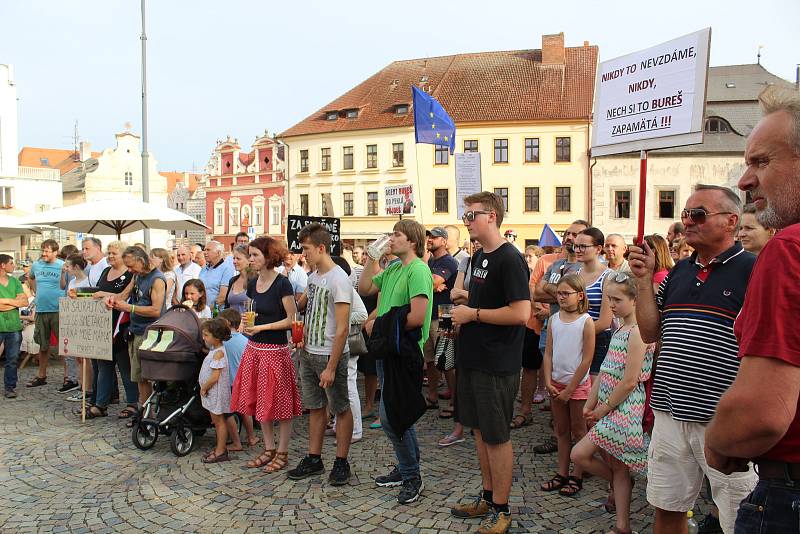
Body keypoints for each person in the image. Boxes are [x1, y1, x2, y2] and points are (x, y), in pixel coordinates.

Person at [628, 184, 757, 534]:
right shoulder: (680, 270)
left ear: (731, 221)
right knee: (667, 508)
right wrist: (642, 282)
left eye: (698, 214)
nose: (688, 221)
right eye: (685, 214)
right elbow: (651, 332)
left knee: (737, 518)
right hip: (670, 413)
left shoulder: (753, 270)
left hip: (721, 419)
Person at [705, 86, 800, 533]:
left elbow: (760, 415)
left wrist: (719, 442)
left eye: (762, 162)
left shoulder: (787, 249)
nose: (744, 180)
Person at [448, 192, 530, 534]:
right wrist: (464, 312)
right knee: (479, 431)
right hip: (473, 356)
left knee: (497, 436)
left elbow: (521, 313)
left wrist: (474, 313)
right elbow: (485, 302)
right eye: (465, 216)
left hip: (496, 363)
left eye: (471, 216)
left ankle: (502, 507)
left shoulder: (510, 259)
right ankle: (488, 495)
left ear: (492, 216)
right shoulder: (480, 256)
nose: (466, 221)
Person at [570, 273, 655, 534]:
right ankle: (622, 524)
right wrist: (590, 402)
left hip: (625, 409)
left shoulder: (639, 333)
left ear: (635, 299)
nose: (612, 305)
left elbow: (629, 381)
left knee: (579, 454)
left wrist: (602, 408)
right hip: (609, 406)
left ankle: (623, 488)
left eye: (617, 299)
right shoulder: (620, 329)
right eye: (609, 299)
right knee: (617, 467)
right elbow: (606, 370)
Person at [359, 219, 432, 504]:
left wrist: (378, 325)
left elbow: (416, 316)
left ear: (412, 241)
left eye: (397, 235)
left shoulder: (418, 270)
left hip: (405, 350)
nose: (391, 239)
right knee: (398, 415)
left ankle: (412, 474)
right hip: (388, 348)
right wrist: (372, 259)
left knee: (392, 418)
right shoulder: (392, 268)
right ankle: (406, 468)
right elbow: (365, 288)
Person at [288, 224, 354, 486]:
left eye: (306, 249)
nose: (303, 254)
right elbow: (306, 308)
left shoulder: (339, 279)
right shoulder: (314, 276)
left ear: (321, 248)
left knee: (340, 408)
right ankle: (314, 458)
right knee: (315, 407)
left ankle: (342, 461)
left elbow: (342, 328)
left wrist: (331, 366)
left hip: (329, 355)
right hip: (309, 351)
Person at [230, 237, 300, 475]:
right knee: (262, 402)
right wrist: (245, 323)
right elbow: (250, 311)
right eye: (250, 255)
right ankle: (269, 449)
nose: (251, 259)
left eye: (255, 255)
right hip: (255, 349)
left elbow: (292, 319)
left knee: (281, 405)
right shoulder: (253, 282)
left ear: (269, 257)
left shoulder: (283, 284)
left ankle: (282, 452)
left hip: (275, 351)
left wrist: (261, 328)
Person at [539, 274, 594, 498]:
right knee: (561, 430)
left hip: (577, 386)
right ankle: (561, 473)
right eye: (558, 293)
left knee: (579, 430)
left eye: (565, 293)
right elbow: (549, 352)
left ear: (579, 295)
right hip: (556, 384)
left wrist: (571, 388)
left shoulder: (586, 321)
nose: (560, 297)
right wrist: (548, 380)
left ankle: (577, 474)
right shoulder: (554, 319)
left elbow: (587, 359)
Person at [437, 238, 482, 447]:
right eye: (473, 241)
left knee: (480, 380)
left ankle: (478, 424)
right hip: (464, 325)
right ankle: (459, 427)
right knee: (462, 378)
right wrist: (473, 297)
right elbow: (455, 294)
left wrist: (470, 298)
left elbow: (495, 300)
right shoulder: (466, 262)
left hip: (486, 328)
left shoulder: (500, 261)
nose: (476, 244)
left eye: (479, 241)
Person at [108, 246, 166, 408]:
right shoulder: (137, 275)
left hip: (150, 333)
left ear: (141, 261)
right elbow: (124, 295)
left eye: (132, 266)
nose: (130, 270)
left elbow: (156, 310)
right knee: (139, 376)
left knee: (147, 375)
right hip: (136, 330)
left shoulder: (157, 279)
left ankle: (150, 411)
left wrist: (129, 308)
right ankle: (144, 411)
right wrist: (112, 300)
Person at [91, 240, 137, 420]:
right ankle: (100, 404)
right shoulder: (105, 271)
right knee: (103, 368)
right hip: (103, 325)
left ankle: (133, 403)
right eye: (109, 253)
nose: (110, 256)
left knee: (125, 367)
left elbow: (124, 297)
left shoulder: (130, 274)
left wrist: (103, 294)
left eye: (114, 253)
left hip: (121, 325)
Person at [330, 256, 368, 444]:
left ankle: (356, 430)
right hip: (335, 343)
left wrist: (341, 319)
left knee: (349, 386)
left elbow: (362, 314)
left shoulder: (345, 288)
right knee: (339, 387)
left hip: (348, 343)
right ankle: (339, 425)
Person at [423, 227, 458, 415]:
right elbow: (428, 282)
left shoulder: (450, 262)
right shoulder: (428, 262)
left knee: (447, 360)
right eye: (429, 237)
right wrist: (431, 283)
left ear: (444, 241)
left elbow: (433, 281)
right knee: (429, 359)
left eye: (434, 237)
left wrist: (432, 283)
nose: (430, 240)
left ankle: (455, 402)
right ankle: (433, 397)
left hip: (445, 313)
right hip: (429, 313)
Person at [574, 228, 613, 376]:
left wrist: (573, 332)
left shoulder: (608, 277)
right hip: (577, 338)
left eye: (583, 246)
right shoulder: (575, 275)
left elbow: (604, 321)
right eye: (576, 246)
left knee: (592, 389)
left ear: (598, 249)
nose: (578, 250)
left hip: (598, 339)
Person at [26, 240, 64, 388]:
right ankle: (42, 375)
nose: (44, 253)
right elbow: (31, 278)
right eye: (43, 250)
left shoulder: (62, 265)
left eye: (47, 251)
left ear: (55, 252)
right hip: (41, 309)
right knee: (43, 345)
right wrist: (36, 292)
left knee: (63, 345)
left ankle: (68, 377)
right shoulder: (36, 265)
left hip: (58, 309)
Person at [218, 308, 257, 451]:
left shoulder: (222, 342)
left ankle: (236, 442)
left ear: (227, 323)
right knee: (245, 411)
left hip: (227, 382)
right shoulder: (246, 340)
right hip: (242, 382)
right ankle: (252, 437)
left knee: (228, 413)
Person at [199, 318, 232, 464]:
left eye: (206, 335)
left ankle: (221, 450)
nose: (203, 338)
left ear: (216, 337)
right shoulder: (215, 350)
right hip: (213, 393)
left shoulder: (219, 353)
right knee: (217, 421)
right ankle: (220, 447)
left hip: (215, 392)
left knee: (219, 422)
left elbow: (215, 376)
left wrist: (204, 387)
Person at [64, 254, 91, 402]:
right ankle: (82, 385)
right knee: (79, 357)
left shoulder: (88, 280)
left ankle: (87, 388)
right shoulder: (73, 281)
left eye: (68, 266)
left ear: (76, 267)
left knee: (86, 357)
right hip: (75, 321)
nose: (66, 269)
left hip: (86, 321)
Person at [0, 255, 27, 399]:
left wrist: (4, 301)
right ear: (2, 265)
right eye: (11, 263)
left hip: (14, 326)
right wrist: (13, 302)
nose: (14, 265)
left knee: (12, 358)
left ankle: (10, 387)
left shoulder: (15, 281)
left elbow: (24, 302)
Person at [199, 241, 235, 312]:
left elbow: (222, 297)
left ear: (218, 253)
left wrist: (207, 311)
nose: (205, 252)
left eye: (208, 250)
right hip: (202, 311)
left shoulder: (226, 269)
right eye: (205, 250)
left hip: (217, 314)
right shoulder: (203, 269)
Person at [225, 245, 253, 314]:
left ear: (248, 260)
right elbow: (227, 306)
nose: (234, 261)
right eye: (234, 258)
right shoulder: (232, 280)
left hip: (248, 323)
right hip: (231, 323)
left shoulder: (255, 280)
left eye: (238, 259)